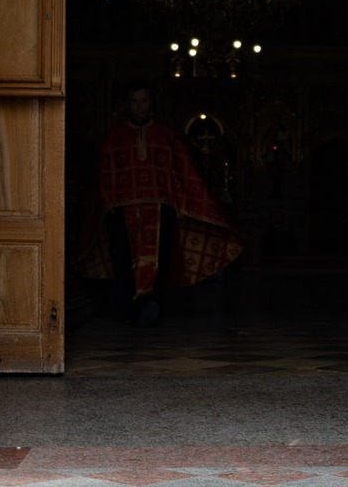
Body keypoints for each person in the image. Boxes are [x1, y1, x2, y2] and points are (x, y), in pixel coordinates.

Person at [80, 82, 242, 323]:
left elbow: (179, 172)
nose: (139, 107)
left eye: (143, 101)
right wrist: (107, 200)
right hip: (122, 208)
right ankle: (129, 307)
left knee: (161, 257)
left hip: (160, 207)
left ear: (151, 102)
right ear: (128, 104)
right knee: (123, 258)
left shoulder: (165, 135)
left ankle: (153, 304)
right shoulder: (115, 136)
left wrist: (179, 202)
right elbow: (105, 172)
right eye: (135, 101)